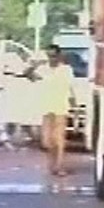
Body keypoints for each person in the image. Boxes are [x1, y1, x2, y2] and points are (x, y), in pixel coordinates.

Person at [31, 44, 76, 176]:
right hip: (46, 107)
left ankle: (60, 166)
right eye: (49, 56)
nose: (52, 59)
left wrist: (75, 106)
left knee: (59, 138)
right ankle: (52, 164)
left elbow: (71, 88)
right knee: (47, 141)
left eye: (54, 56)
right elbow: (28, 74)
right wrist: (35, 64)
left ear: (59, 56)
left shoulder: (66, 70)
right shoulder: (42, 69)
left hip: (61, 106)